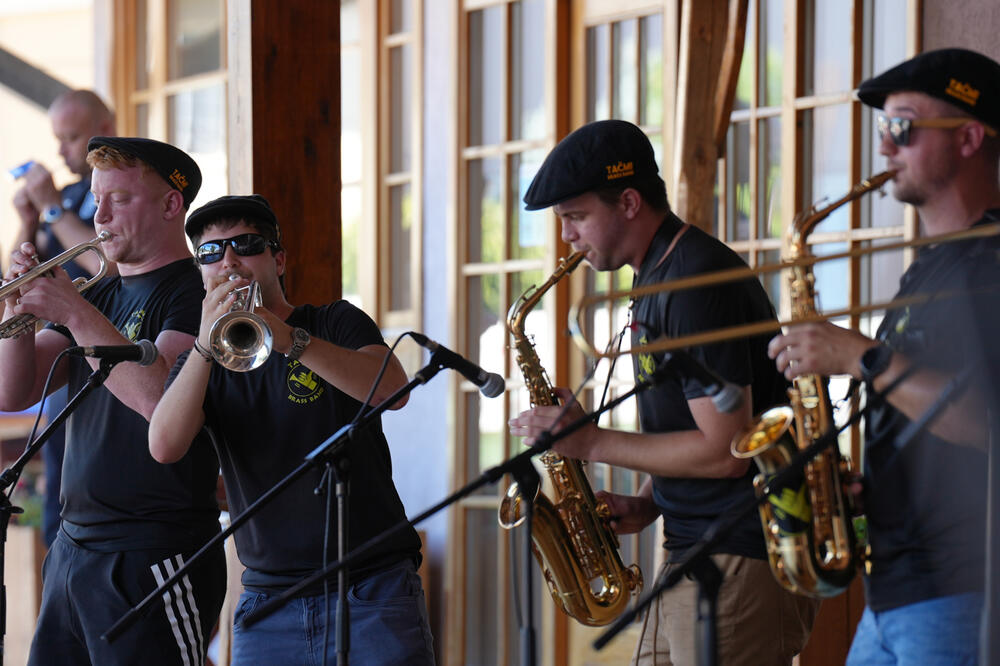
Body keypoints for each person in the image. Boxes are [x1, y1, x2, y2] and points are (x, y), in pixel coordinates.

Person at [508, 119, 819, 665]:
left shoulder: (691, 284)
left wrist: (592, 442)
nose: (567, 237)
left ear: (628, 201)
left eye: (576, 217)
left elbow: (727, 452)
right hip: (694, 549)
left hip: (737, 553)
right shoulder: (657, 273)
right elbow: (691, 424)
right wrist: (648, 501)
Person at [768, 48, 1000, 665]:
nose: (884, 149)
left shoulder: (990, 263)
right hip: (893, 592)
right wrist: (872, 489)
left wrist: (861, 357)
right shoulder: (929, 268)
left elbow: (982, 420)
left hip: (957, 593)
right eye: (882, 130)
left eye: (901, 127)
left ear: (971, 137)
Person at [147, 194, 435, 664]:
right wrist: (203, 343)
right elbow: (164, 445)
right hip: (269, 603)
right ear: (201, 272)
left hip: (370, 589)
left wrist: (288, 340)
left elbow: (393, 391)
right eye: (211, 252)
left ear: (278, 260)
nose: (229, 260)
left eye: (246, 244)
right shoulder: (203, 360)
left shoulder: (333, 321)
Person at [0, 136, 226, 665]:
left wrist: (74, 312)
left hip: (154, 548)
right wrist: (17, 314)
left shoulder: (196, 292)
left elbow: (159, 399)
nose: (98, 215)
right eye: (96, 199)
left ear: (171, 205)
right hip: (73, 545)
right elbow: (15, 392)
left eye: (117, 200)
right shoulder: (98, 293)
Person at [11, 89, 117, 548]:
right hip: (62, 357)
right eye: (58, 139)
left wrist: (53, 208)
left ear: (106, 130)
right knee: (59, 495)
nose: (61, 151)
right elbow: (14, 282)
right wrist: (30, 222)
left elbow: (106, 265)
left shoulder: (117, 194)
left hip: (112, 356)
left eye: (71, 138)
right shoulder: (71, 195)